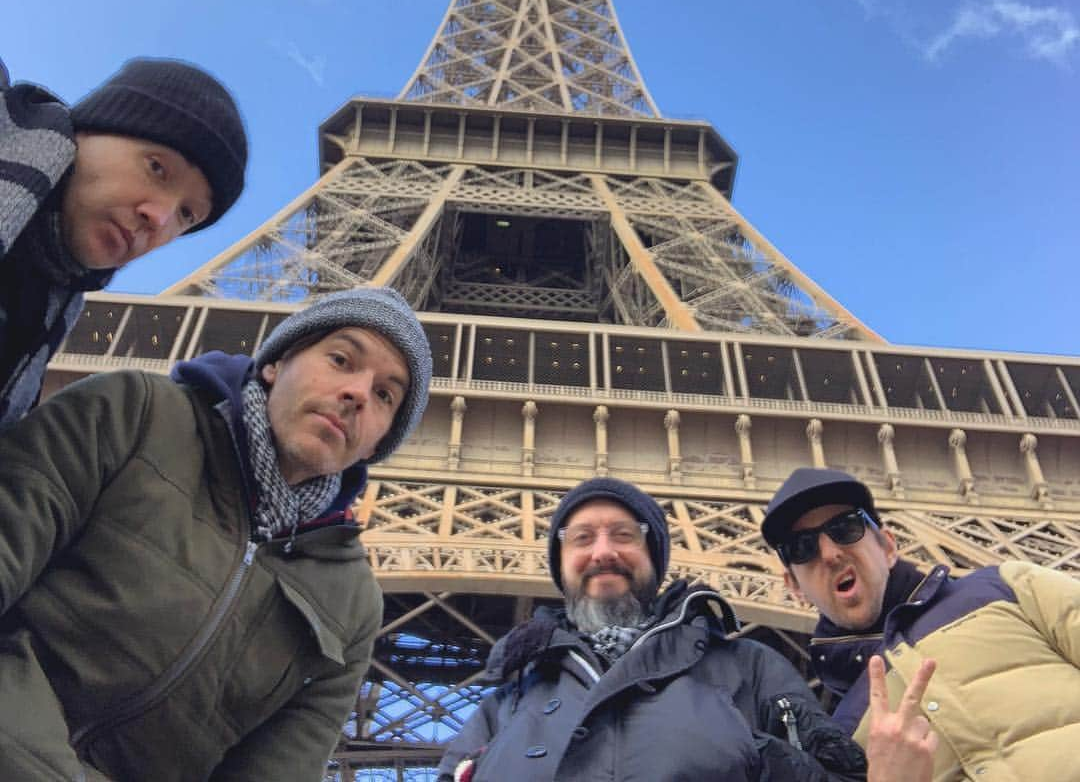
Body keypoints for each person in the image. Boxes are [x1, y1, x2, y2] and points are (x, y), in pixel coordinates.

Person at [0, 285, 433, 781]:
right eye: (340, 359)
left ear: (380, 441)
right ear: (275, 363)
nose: (357, 393)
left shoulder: (352, 606)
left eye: (385, 395)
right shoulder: (134, 413)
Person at [438, 476, 868, 782]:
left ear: (654, 558)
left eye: (624, 534)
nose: (603, 551)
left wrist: (742, 756)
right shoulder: (508, 701)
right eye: (582, 538)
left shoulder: (750, 667)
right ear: (561, 563)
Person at [762, 466, 1080, 780]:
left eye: (845, 528)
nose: (830, 553)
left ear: (887, 546)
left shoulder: (1006, 586)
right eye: (802, 547)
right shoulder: (842, 737)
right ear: (794, 587)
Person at [0, 56, 247, 427]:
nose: (160, 218)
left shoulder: (46, 313)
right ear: (88, 130)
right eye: (157, 167)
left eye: (187, 215)